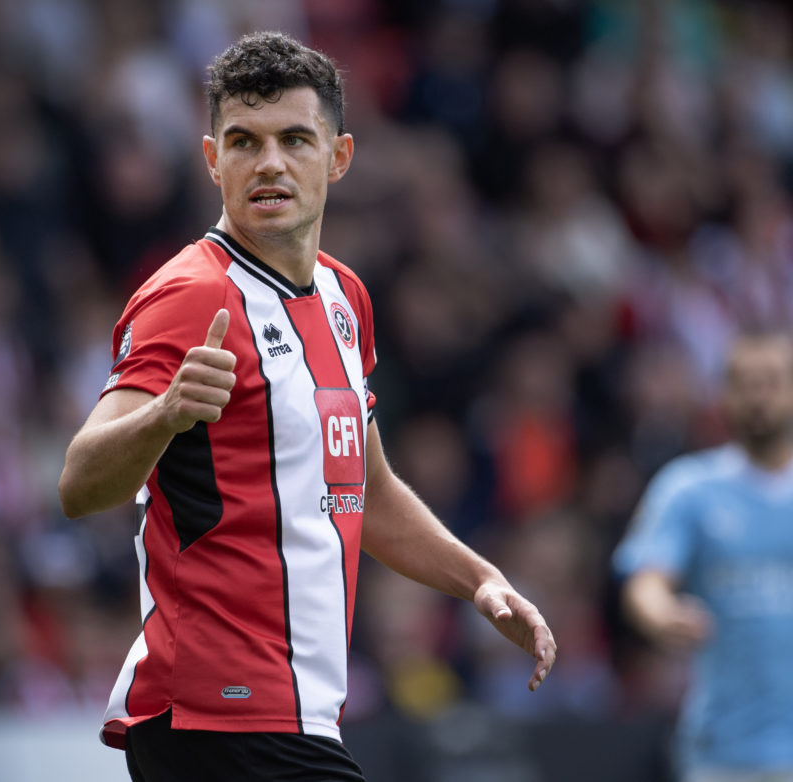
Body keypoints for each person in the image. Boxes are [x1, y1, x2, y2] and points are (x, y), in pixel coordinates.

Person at [59, 31, 556, 781]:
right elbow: (78, 483)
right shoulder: (191, 294)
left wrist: (479, 579)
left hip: (295, 719)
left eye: (295, 139)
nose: (269, 163)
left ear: (339, 156)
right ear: (211, 159)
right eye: (244, 141)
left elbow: (369, 491)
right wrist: (164, 414)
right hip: (214, 711)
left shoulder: (343, 297)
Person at [614, 331, 793, 782]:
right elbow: (646, 578)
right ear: (724, 396)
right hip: (724, 750)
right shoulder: (689, 489)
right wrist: (662, 615)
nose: (758, 397)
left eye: (772, 381)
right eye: (744, 383)